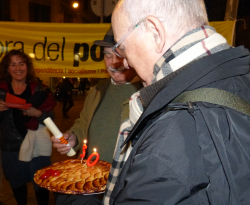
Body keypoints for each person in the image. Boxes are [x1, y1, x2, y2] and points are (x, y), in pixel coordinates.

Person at [106, 0, 250, 204]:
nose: (125, 62)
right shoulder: (241, 76)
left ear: (155, 32)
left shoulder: (165, 144)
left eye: (121, 48)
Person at [51, 26, 142, 204]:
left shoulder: (147, 94)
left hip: (123, 190)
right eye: (107, 55)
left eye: (120, 54)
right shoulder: (98, 90)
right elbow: (83, 124)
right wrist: (73, 138)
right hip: (88, 183)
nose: (113, 62)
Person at [0, 49, 56, 205]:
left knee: (41, 187)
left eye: (21, 63)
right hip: (11, 148)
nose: (18, 68)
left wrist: (37, 113)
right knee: (17, 187)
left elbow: (51, 119)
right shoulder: (1, 91)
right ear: (7, 68)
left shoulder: (39, 89)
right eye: (13, 64)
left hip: (38, 147)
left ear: (27, 66)